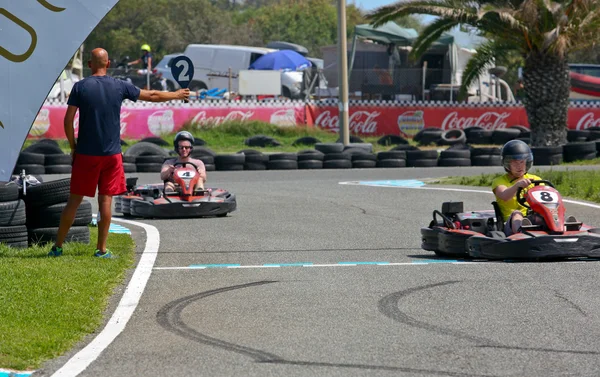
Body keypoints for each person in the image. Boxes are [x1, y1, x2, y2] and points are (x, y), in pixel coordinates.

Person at [49, 48, 190, 258]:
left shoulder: (80, 87)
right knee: (105, 201)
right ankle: (101, 250)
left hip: (86, 153)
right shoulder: (119, 85)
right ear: (108, 63)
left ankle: (58, 247)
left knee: (74, 201)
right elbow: (151, 95)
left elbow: (68, 120)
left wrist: (73, 146)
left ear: (89, 65)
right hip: (112, 155)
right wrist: (177, 95)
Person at [491, 140, 543, 235]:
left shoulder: (536, 180)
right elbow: (504, 196)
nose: (519, 166)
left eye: (522, 162)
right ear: (507, 164)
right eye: (515, 163)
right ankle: (521, 233)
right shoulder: (499, 181)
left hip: (533, 219)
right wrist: (517, 186)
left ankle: (564, 230)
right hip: (509, 224)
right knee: (517, 214)